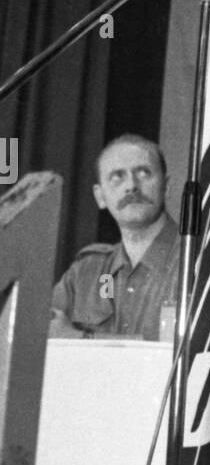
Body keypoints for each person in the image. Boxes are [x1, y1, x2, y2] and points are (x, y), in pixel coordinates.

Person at [50, 134, 180, 341]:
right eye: (117, 176)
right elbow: (38, 328)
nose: (131, 186)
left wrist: (81, 338)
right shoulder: (86, 272)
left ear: (166, 187)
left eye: (144, 173)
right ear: (100, 196)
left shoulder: (197, 261)